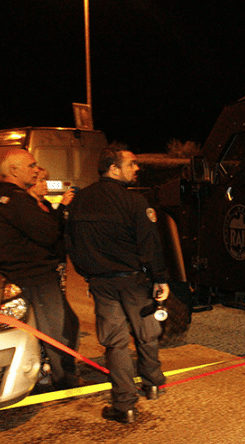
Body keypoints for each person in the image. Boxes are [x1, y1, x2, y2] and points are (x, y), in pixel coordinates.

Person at [67, 147, 170, 424]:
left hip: (102, 283)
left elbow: (72, 244)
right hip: (135, 281)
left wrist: (88, 273)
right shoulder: (134, 201)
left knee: (115, 343)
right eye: (131, 164)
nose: (137, 169)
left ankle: (124, 404)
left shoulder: (79, 201)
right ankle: (152, 384)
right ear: (114, 169)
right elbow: (150, 244)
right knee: (146, 332)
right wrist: (160, 278)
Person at [0, 149, 81, 391]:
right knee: (61, 328)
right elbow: (47, 233)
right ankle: (65, 381)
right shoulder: (17, 199)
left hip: (15, 274)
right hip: (36, 276)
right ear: (14, 170)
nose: (36, 170)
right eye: (32, 165)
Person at [28, 167, 76, 296]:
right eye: (41, 180)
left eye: (46, 180)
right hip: (44, 263)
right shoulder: (30, 206)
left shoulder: (46, 204)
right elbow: (50, 227)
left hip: (57, 259)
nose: (46, 184)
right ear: (31, 184)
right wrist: (62, 206)